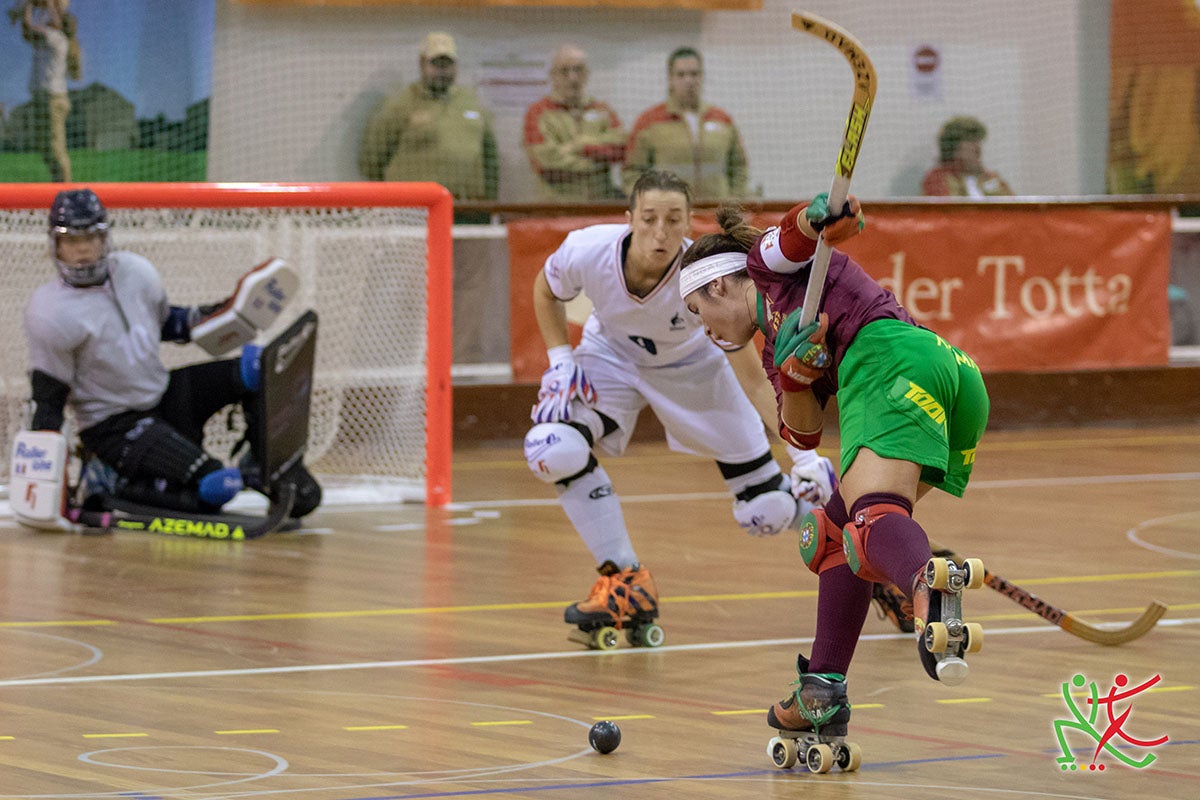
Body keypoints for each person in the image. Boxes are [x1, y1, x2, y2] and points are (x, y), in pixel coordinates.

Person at [678, 192, 989, 741]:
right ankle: (822, 689)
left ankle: (928, 588)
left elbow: (797, 233)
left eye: (697, 311)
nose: (703, 329)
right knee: (832, 537)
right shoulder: (773, 350)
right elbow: (800, 430)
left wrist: (823, 215)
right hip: (951, 375)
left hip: (890, 359)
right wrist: (797, 375)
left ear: (719, 284)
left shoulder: (765, 270)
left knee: (870, 525)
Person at [522, 169, 838, 643]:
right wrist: (559, 360)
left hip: (696, 373)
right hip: (610, 360)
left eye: (674, 220)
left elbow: (754, 382)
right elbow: (546, 290)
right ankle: (624, 580)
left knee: (767, 508)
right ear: (628, 218)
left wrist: (804, 454)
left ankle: (847, 547)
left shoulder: (704, 279)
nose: (661, 232)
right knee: (551, 447)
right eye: (649, 218)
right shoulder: (588, 250)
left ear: (690, 223)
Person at [22, 188, 322, 520]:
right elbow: (48, 400)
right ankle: (107, 478)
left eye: (90, 239)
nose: (82, 251)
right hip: (114, 425)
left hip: (161, 395)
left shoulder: (136, 272)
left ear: (105, 238)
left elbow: (170, 325)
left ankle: (264, 464)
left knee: (259, 368)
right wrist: (49, 483)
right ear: (55, 246)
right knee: (216, 486)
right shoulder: (48, 312)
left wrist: (226, 315)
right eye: (71, 241)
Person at [358, 31, 498, 215]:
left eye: (447, 64)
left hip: (468, 209)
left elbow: (490, 156)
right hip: (413, 211)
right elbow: (371, 161)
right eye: (436, 64)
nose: (442, 71)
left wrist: (489, 202)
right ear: (422, 64)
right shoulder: (399, 104)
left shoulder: (471, 101)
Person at [621, 47, 749, 201]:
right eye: (681, 74)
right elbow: (632, 171)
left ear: (702, 76)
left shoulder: (722, 119)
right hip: (670, 214)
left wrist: (735, 200)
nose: (689, 80)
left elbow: (739, 166)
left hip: (715, 213)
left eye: (694, 74)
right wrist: (648, 204)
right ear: (670, 78)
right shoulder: (649, 121)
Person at [523, 44, 627, 201]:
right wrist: (597, 161)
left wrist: (580, 146)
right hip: (556, 208)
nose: (573, 78)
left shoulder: (602, 110)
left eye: (578, 70)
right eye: (565, 71)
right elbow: (545, 161)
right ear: (553, 75)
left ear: (586, 74)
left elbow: (620, 148)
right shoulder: (537, 112)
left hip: (600, 204)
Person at [16, 0, 76, 182]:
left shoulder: (56, 38)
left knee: (55, 147)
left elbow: (28, 28)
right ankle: (58, 184)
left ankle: (66, 191)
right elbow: (28, 32)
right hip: (44, 98)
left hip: (53, 99)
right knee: (44, 146)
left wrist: (30, 5)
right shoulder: (48, 39)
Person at [921, 116, 1013, 197]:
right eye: (970, 140)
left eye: (978, 140)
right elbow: (946, 212)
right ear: (954, 147)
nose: (977, 146)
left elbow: (1015, 208)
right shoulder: (937, 179)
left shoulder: (989, 177)